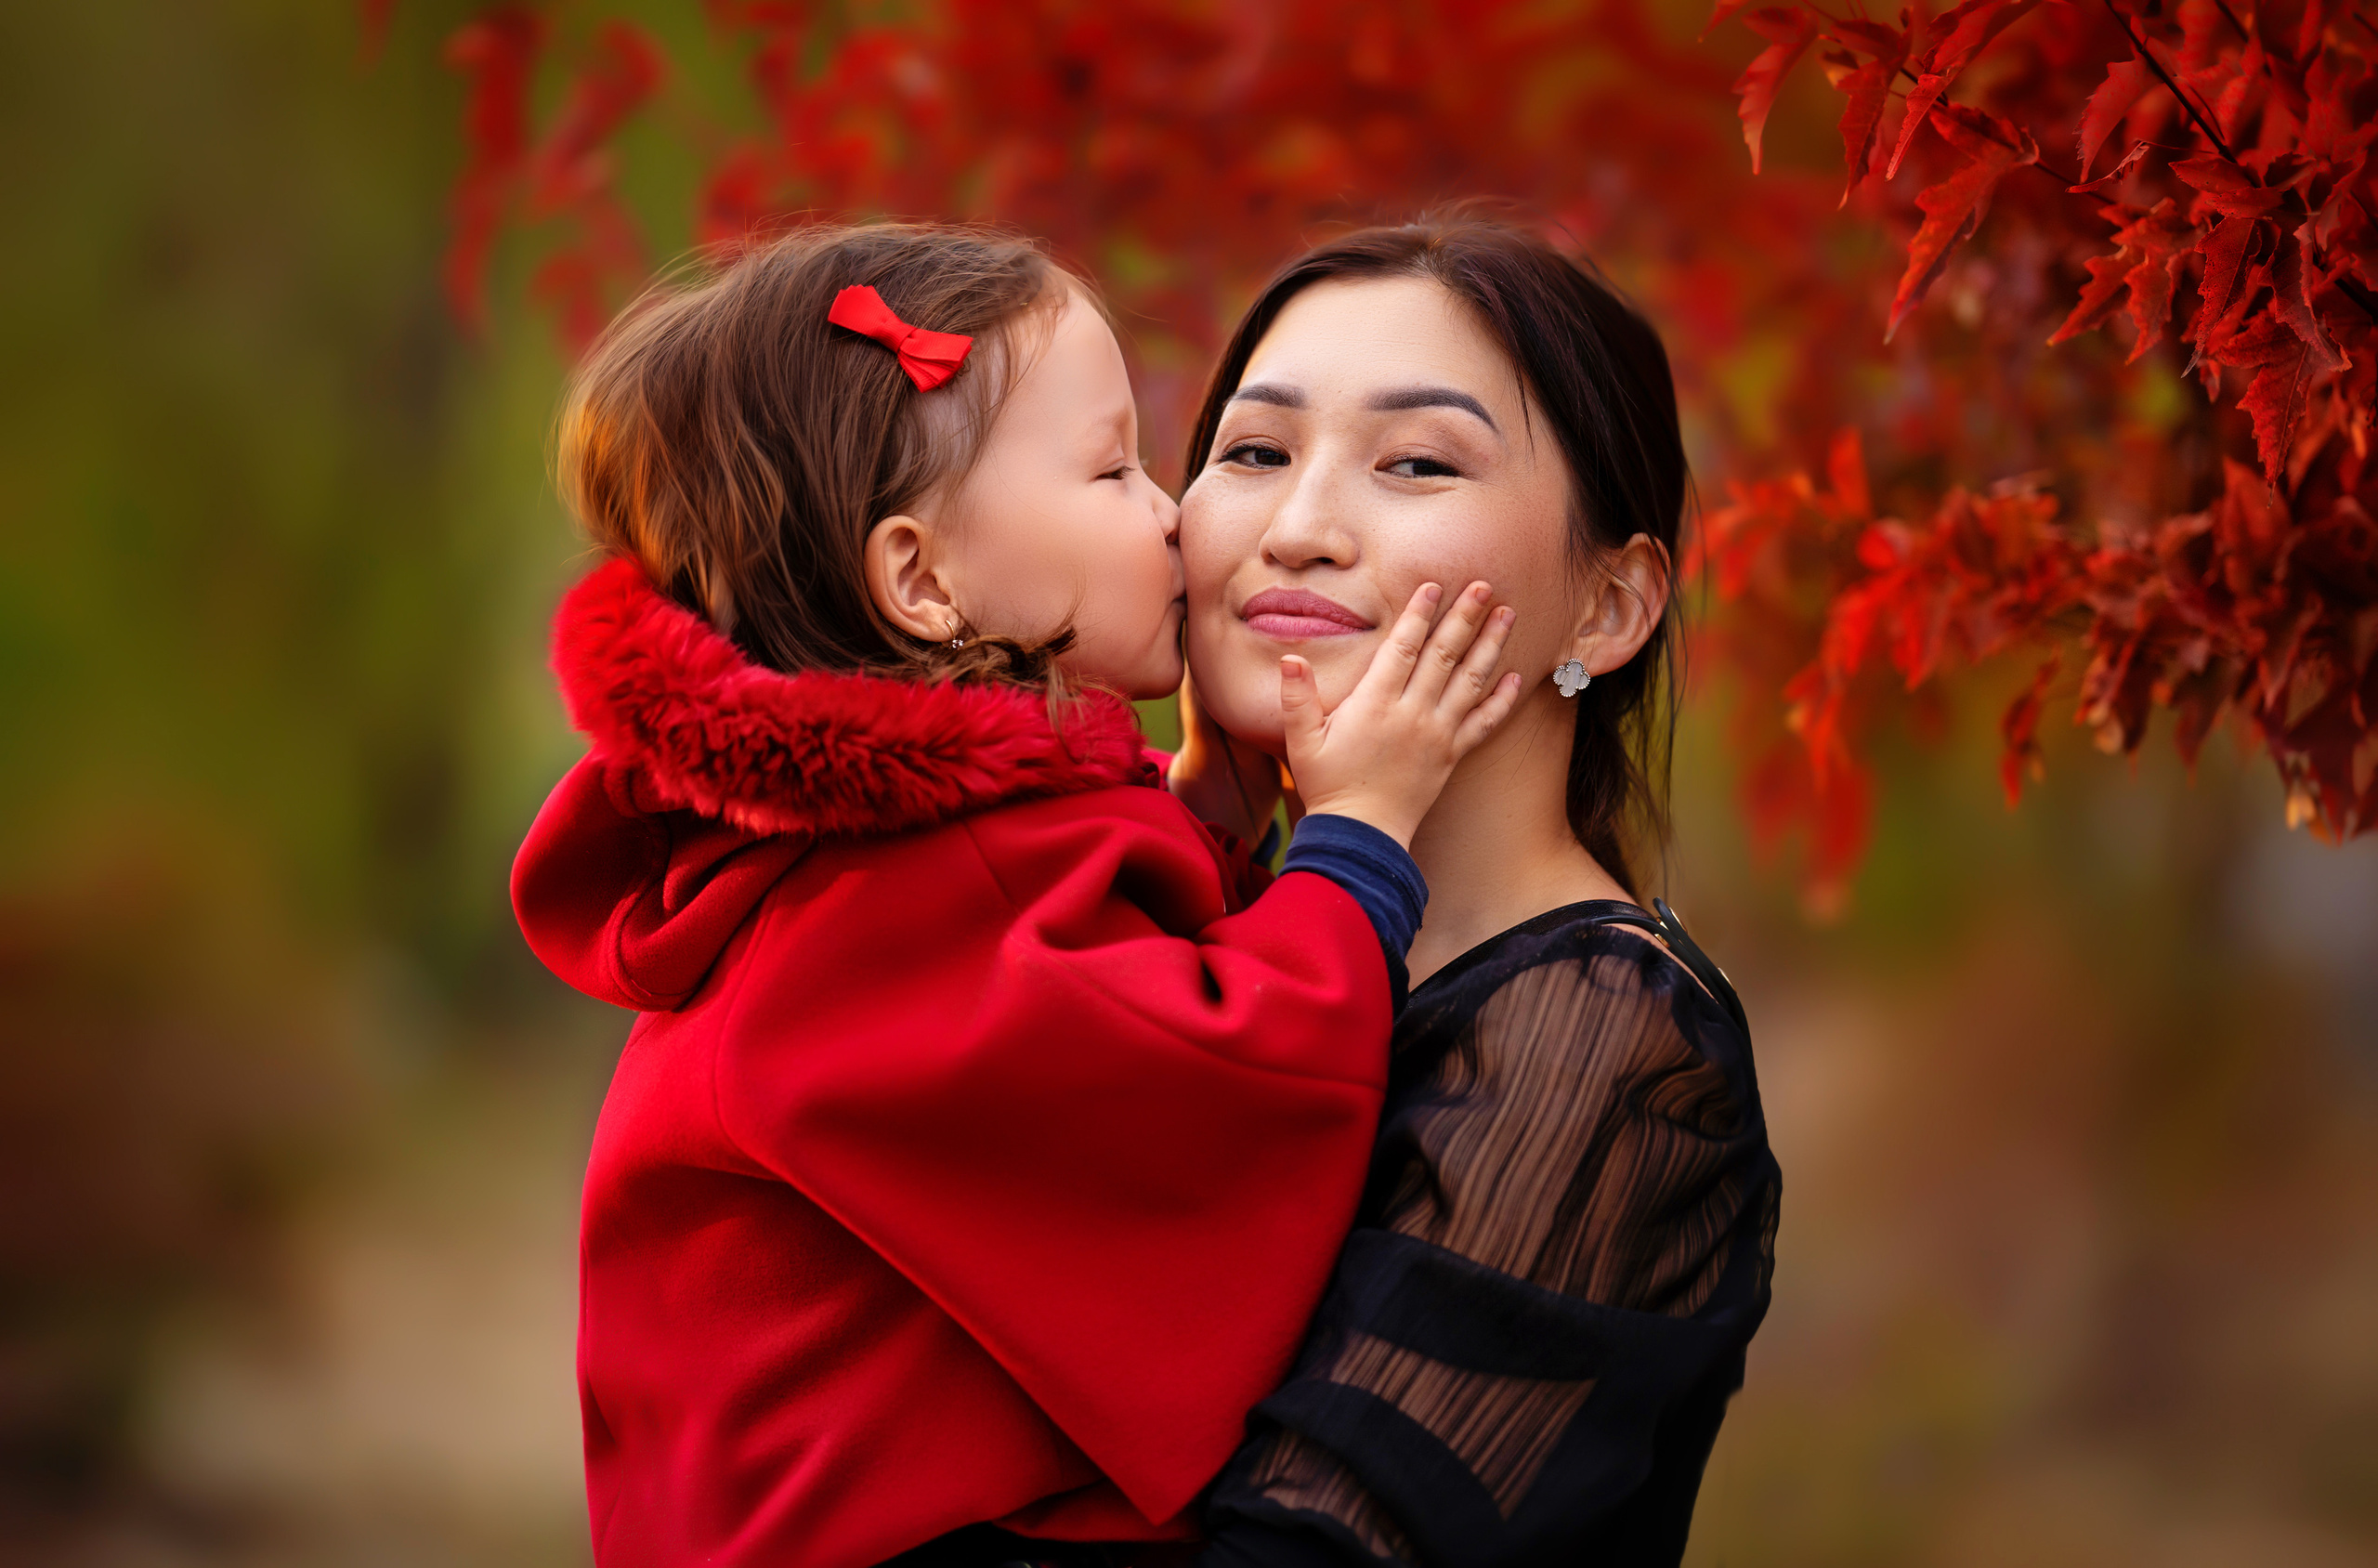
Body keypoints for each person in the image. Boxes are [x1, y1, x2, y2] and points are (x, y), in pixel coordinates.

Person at [508, 221, 1524, 1568]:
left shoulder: (867, 858)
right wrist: (1357, 837)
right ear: (924, 582)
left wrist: (1210, 828)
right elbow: (1205, 1097)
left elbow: (1070, 1023)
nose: (1170, 512)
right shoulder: (905, 893)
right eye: (1112, 468)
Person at [1174, 215, 1781, 1565]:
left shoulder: (1608, 1041)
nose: (1300, 526)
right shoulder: (1189, 935)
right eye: (1255, 452)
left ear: (1610, 610)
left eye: (1417, 463)